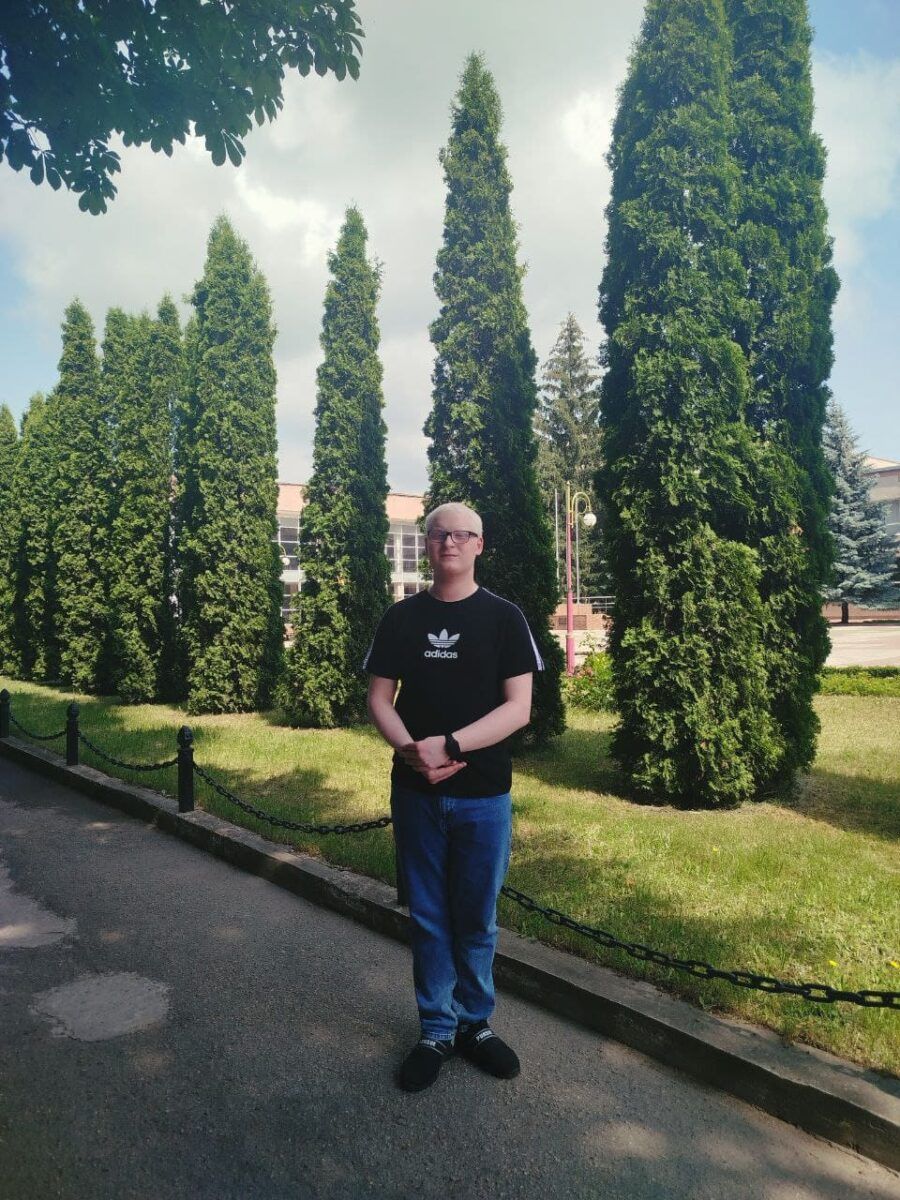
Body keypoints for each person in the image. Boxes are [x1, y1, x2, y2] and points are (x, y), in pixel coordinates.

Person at [364, 501, 544, 1092]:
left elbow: (519, 708)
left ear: (479, 545)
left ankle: (475, 1024)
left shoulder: (504, 618)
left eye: (462, 534)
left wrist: (450, 745)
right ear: (427, 544)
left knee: (476, 916)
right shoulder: (401, 618)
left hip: (483, 794)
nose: (449, 543)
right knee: (429, 916)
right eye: (439, 534)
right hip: (416, 792)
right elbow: (380, 698)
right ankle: (436, 1030)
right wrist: (412, 751)